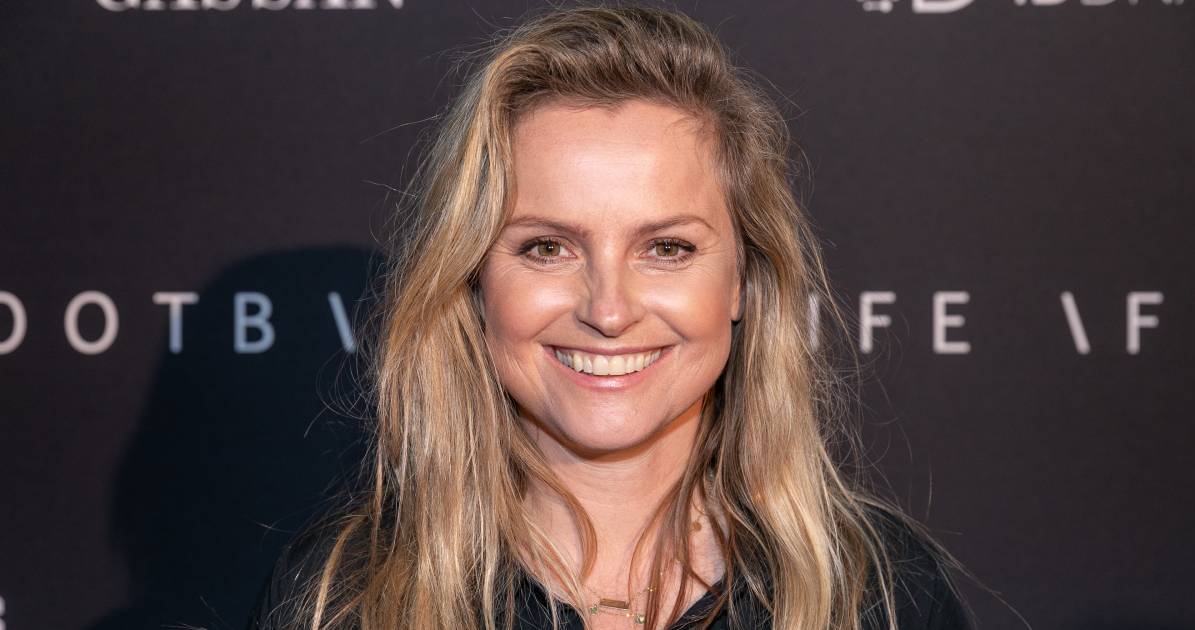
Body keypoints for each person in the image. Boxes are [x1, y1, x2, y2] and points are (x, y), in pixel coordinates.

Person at [248, 4, 974, 630]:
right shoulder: (346, 597)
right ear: (473, 280)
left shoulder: (879, 591)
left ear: (743, 280)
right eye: (547, 247)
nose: (608, 310)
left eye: (666, 248)